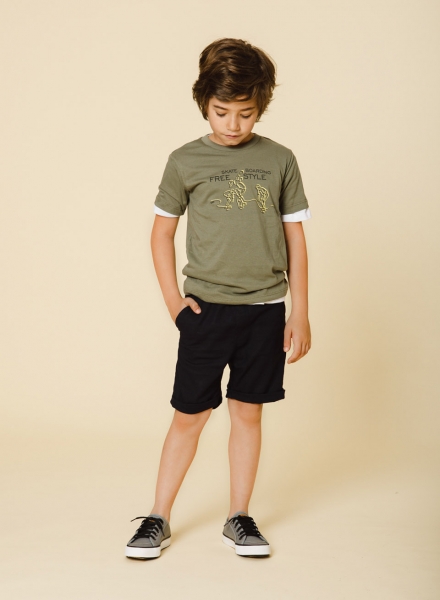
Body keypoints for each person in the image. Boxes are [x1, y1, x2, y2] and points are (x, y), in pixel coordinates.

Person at [125, 37, 312, 560]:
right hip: (205, 313)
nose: (233, 124)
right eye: (221, 111)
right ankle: (157, 517)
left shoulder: (280, 159)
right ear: (204, 104)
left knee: (248, 413)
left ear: (261, 106)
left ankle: (239, 517)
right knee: (189, 415)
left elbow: (295, 237)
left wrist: (299, 311)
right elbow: (161, 233)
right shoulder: (184, 160)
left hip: (265, 313)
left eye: (245, 114)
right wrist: (174, 303)